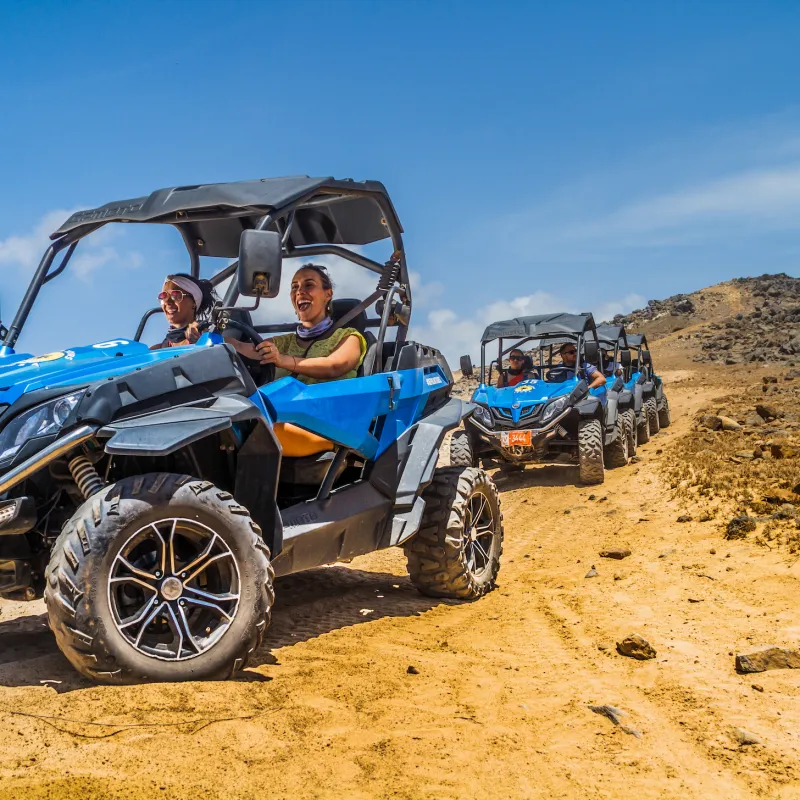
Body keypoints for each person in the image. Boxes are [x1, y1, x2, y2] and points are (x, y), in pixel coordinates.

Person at [228, 264, 367, 384]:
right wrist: (216, 337)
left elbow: (334, 366)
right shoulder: (284, 342)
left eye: (309, 285)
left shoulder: (349, 337)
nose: (299, 292)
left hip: (333, 411)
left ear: (328, 294)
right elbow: (247, 348)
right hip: (281, 413)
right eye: (295, 287)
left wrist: (282, 360)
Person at [151, 273, 216, 349]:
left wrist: (204, 347)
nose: (167, 302)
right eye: (163, 296)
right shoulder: (155, 350)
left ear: (194, 302)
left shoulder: (212, 339)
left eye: (175, 295)